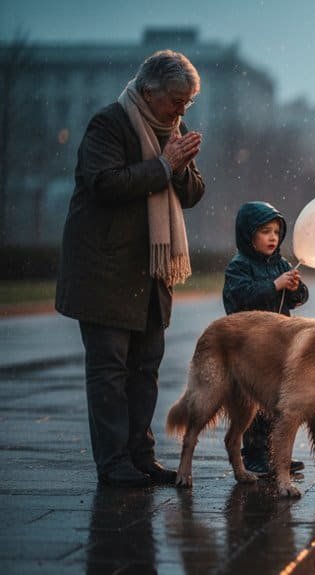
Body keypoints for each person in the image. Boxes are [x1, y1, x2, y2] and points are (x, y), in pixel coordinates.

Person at [55, 50, 205, 487]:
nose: (181, 110)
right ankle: (114, 464)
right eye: (176, 100)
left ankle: (141, 457)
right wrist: (164, 165)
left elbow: (193, 193)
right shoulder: (109, 123)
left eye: (188, 103)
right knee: (109, 373)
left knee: (146, 369)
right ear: (147, 91)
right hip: (105, 272)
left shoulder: (174, 130)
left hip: (152, 272)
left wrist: (178, 167)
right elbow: (106, 184)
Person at [223, 201, 309, 474]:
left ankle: (277, 454)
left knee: (279, 402)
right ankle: (254, 455)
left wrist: (296, 288)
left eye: (276, 232)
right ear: (249, 235)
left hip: (280, 345)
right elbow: (241, 297)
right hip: (251, 346)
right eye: (264, 232)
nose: (272, 237)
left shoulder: (281, 263)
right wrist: (274, 285)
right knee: (254, 404)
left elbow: (299, 298)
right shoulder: (239, 266)